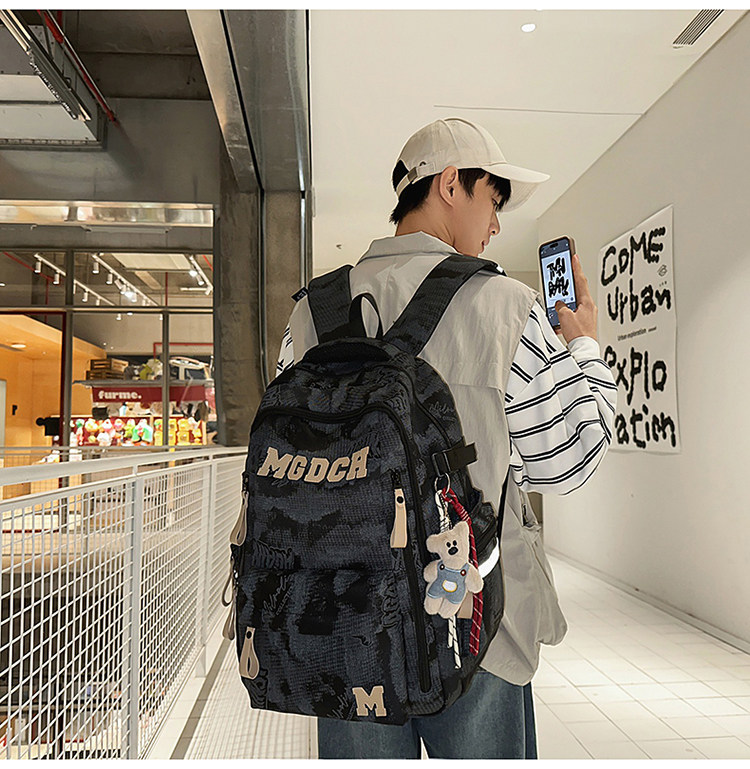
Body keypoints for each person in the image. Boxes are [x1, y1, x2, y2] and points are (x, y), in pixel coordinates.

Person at [276, 118, 617, 759]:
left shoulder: (309, 314)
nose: (496, 225)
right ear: (452, 184)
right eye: (494, 200)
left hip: (345, 623)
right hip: (473, 622)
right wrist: (584, 348)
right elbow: (568, 463)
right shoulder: (506, 305)